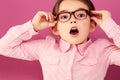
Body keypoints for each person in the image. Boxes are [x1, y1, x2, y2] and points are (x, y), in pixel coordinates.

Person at [0, 0, 120, 80]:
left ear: (92, 25)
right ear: (55, 29)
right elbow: (4, 47)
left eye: (81, 15)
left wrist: (109, 25)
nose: (73, 20)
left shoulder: (104, 50)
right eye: (64, 16)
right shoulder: (45, 48)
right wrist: (33, 26)